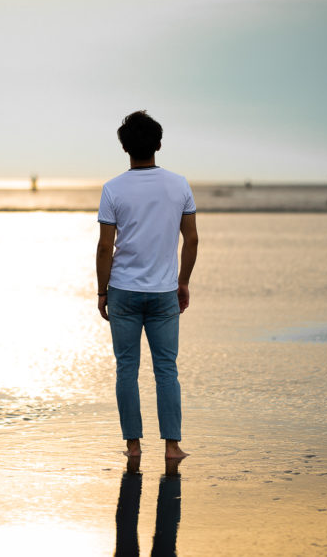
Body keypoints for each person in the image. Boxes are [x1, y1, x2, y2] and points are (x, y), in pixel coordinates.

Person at [97, 110, 198, 461]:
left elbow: (105, 246)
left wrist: (102, 290)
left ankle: (133, 446)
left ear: (125, 148)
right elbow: (192, 240)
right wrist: (182, 282)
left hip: (123, 290)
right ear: (158, 144)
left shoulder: (112, 189)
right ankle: (172, 446)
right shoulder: (179, 185)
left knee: (127, 368)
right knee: (166, 368)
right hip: (163, 291)